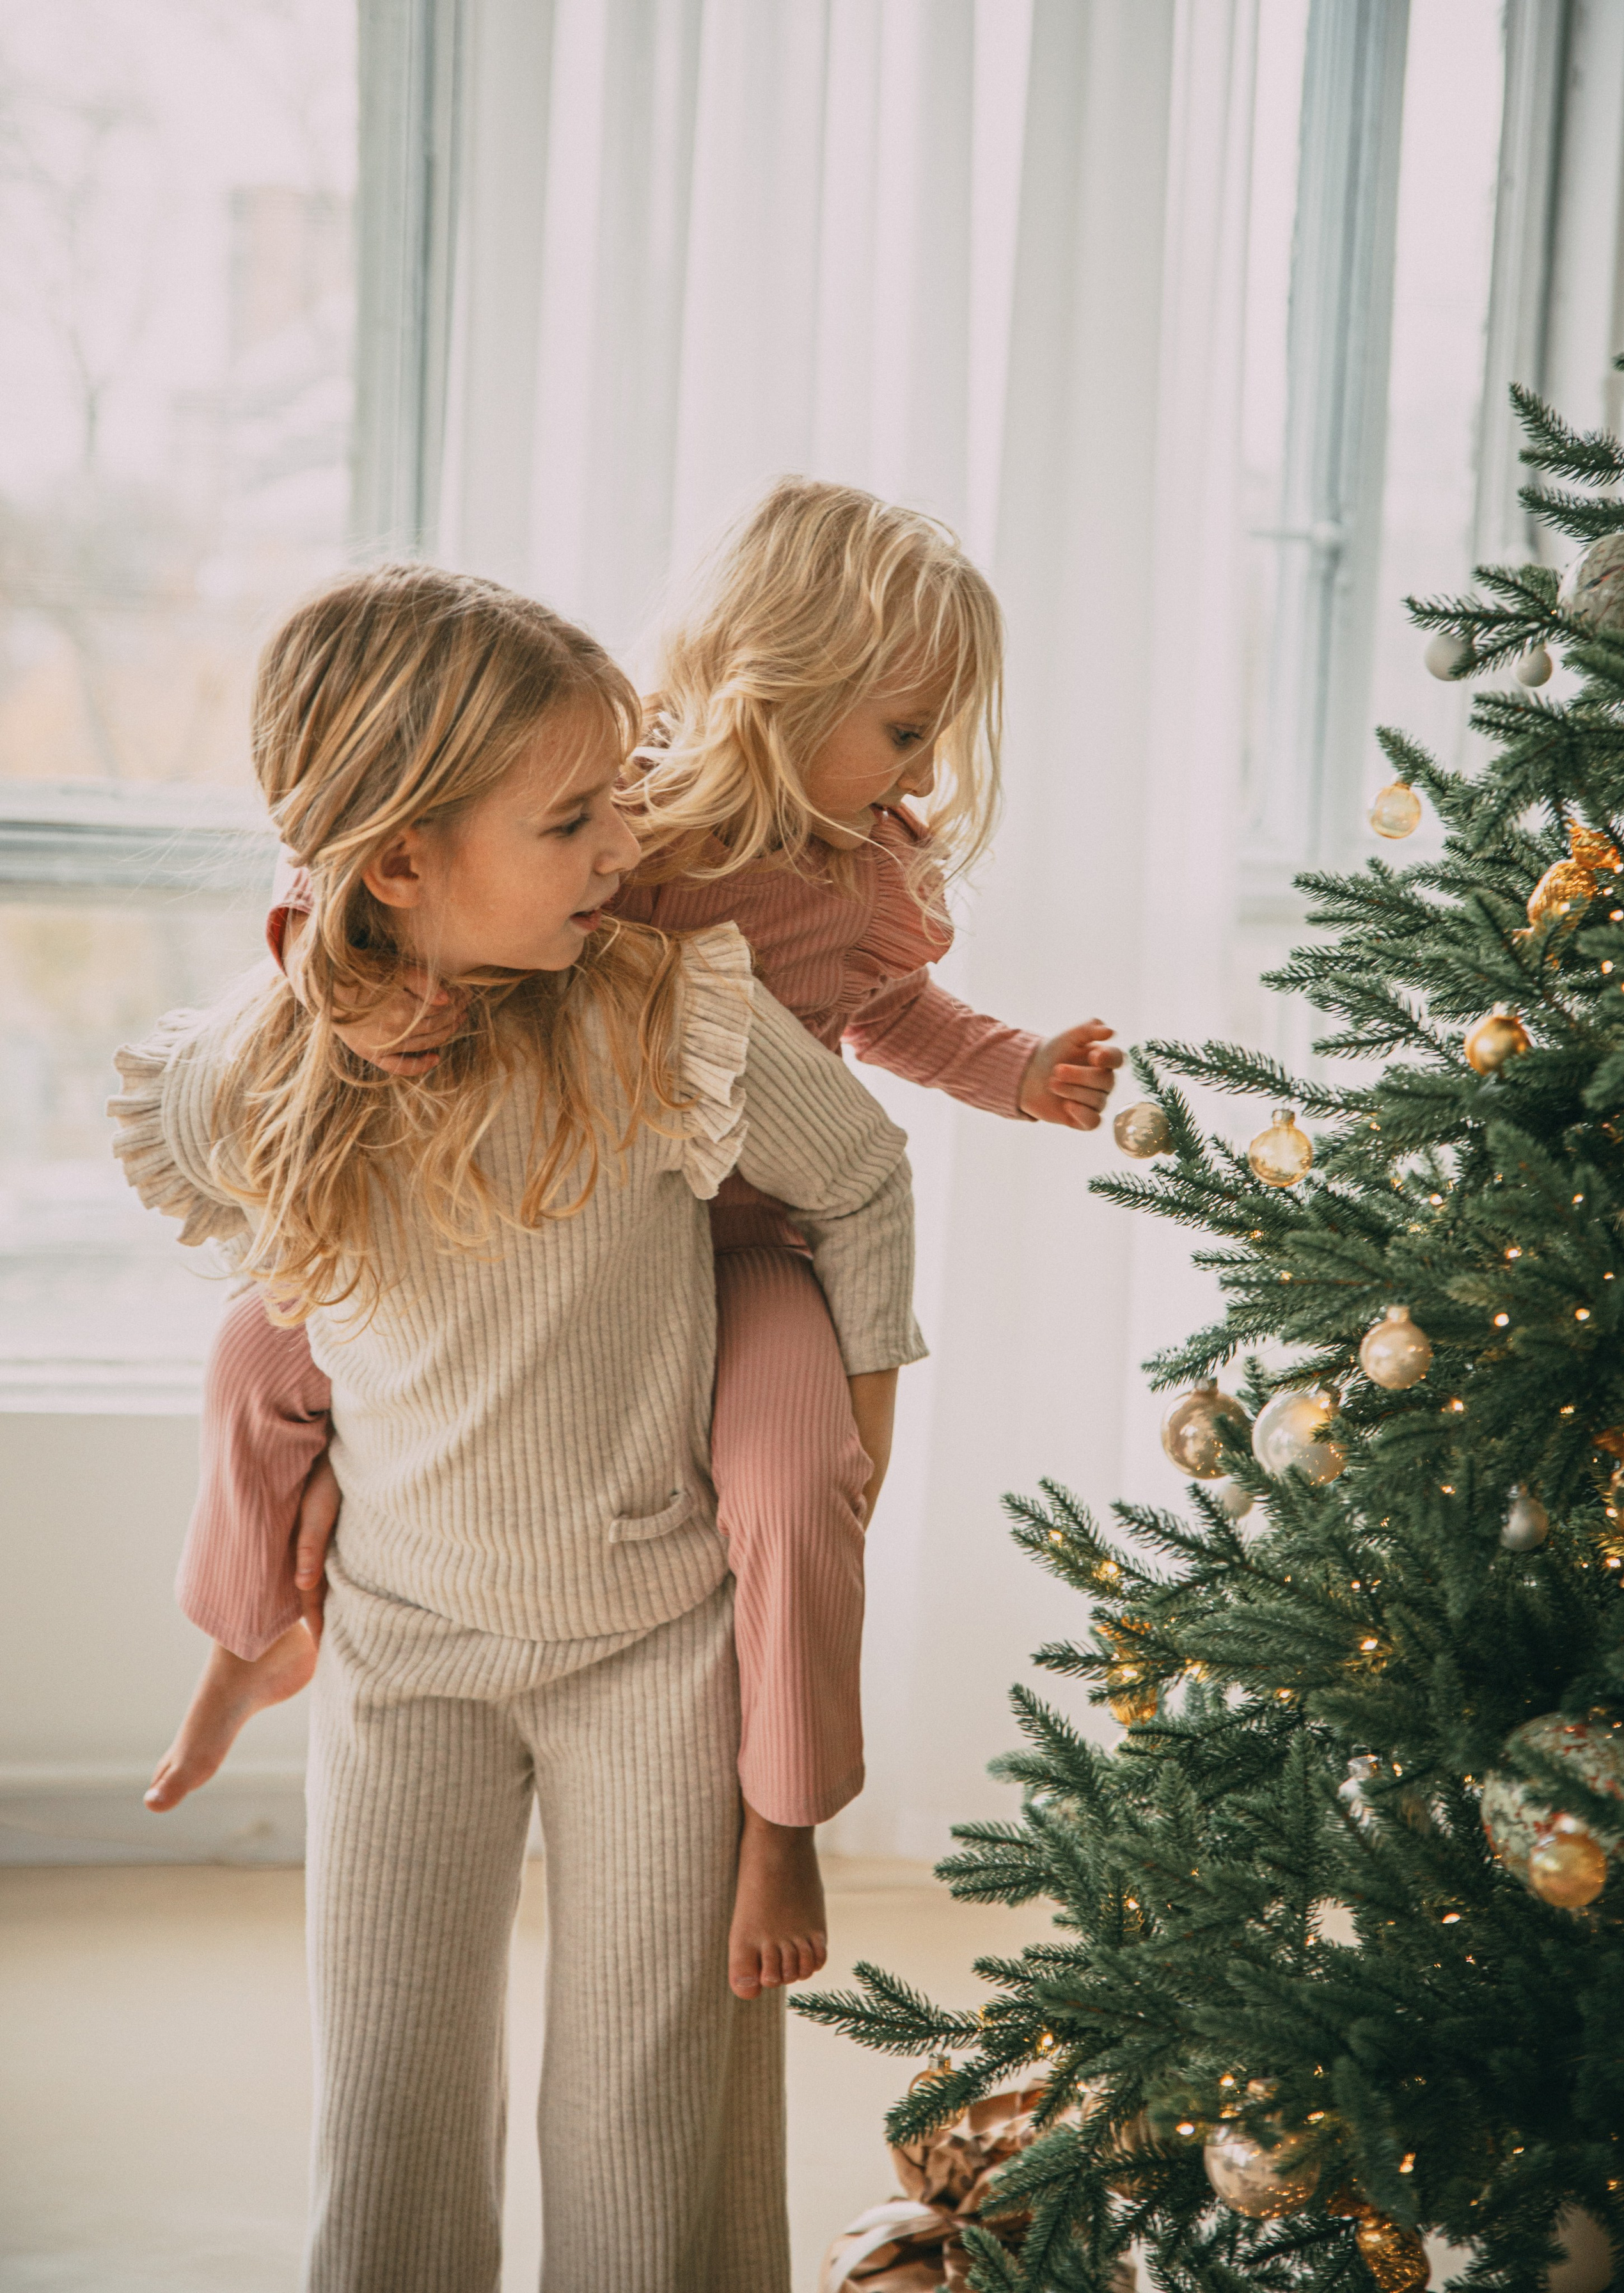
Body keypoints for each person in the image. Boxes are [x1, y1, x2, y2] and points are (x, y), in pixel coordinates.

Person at [143, 480, 1123, 1999]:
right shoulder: (626, 800)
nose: (923, 772)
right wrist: (369, 991)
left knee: (796, 1485)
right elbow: (353, 846)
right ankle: (242, 1633)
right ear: (773, 691)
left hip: (749, 1237)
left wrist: (1012, 1068)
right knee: (252, 1353)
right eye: (906, 729)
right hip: (582, 1205)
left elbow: (892, 1020)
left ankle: (786, 1809)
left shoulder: (861, 871)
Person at [111, 562, 924, 2292]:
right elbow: (242, 1253)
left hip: (650, 1654)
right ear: (398, 864)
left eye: (618, 800)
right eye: (574, 821)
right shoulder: (259, 1073)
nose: (624, 851)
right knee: (391, 2101)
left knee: (646, 2115)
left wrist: (857, 1436)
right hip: (409, 1655)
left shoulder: (667, 1009)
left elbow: (859, 1178)